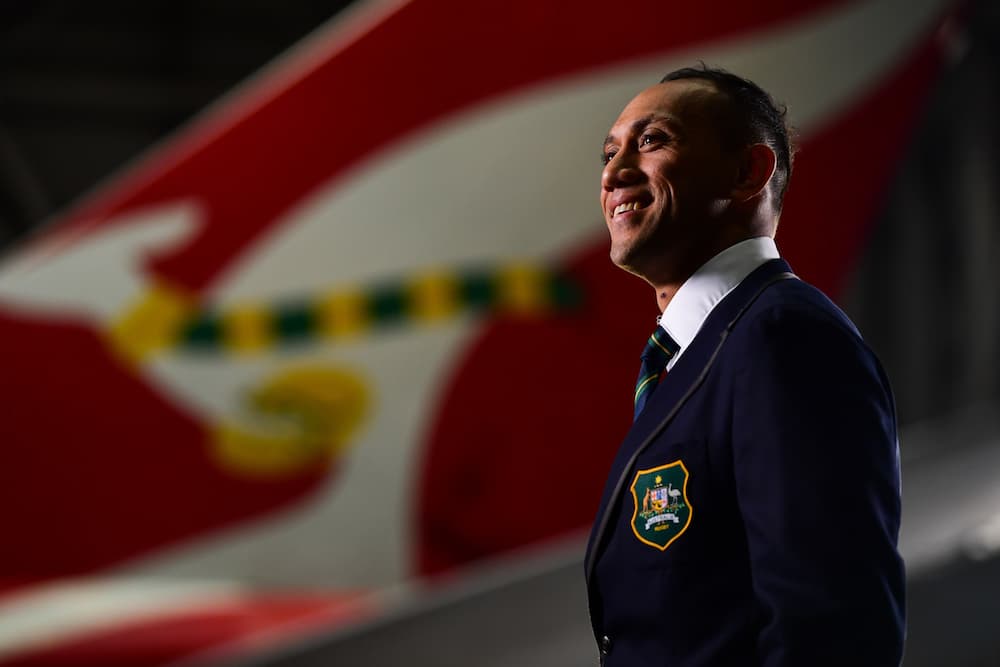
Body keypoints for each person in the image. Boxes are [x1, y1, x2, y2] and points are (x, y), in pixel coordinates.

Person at [583, 66, 905, 666]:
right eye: (609, 151)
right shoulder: (701, 351)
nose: (613, 172)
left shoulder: (783, 338)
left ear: (747, 173)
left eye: (652, 141)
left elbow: (832, 630)